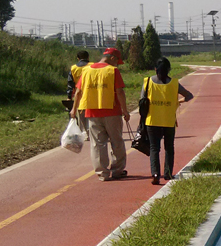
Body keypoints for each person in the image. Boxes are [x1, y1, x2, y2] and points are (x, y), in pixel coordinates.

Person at [70, 47, 131, 182]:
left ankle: (102, 173)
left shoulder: (87, 70)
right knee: (116, 141)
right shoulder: (112, 71)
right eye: (117, 61)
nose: (117, 64)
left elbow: (78, 92)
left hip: (92, 112)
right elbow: (120, 92)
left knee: (98, 144)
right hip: (112, 112)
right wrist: (125, 111)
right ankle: (117, 170)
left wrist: (74, 110)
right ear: (113, 58)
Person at [141, 57, 194, 185]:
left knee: (154, 148)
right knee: (169, 148)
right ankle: (168, 173)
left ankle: (155, 173)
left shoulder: (147, 82)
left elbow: (142, 100)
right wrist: (178, 101)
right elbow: (189, 95)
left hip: (152, 120)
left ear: (155, 69)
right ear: (169, 69)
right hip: (169, 121)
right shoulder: (175, 83)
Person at [66, 50, 90, 137]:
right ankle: (91, 131)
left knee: (81, 114)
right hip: (92, 92)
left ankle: (85, 132)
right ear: (88, 57)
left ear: (78, 58)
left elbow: (70, 83)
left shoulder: (73, 68)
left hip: (79, 94)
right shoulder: (93, 66)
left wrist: (69, 97)